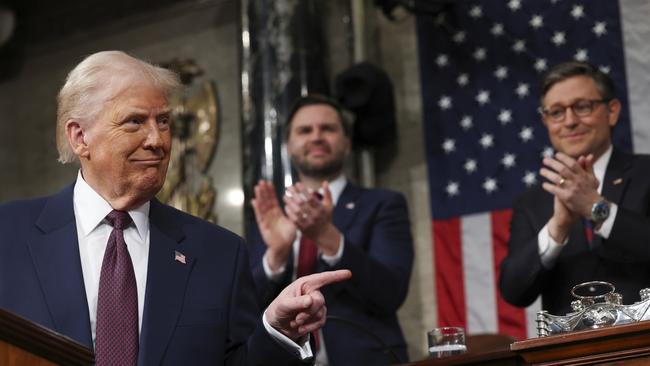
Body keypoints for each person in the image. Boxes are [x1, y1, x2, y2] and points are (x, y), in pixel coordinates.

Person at [0, 51, 351, 366]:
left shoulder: (219, 253)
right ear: (80, 137)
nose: (157, 140)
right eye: (134, 121)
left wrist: (277, 331)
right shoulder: (8, 234)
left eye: (163, 121)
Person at [248, 95, 414, 365]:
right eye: (305, 130)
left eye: (327, 128)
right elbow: (245, 309)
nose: (316, 136)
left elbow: (391, 292)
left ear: (347, 143)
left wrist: (327, 236)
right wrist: (275, 256)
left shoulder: (383, 205)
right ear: (289, 146)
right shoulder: (271, 215)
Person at [499, 61, 650, 315]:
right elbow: (514, 292)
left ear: (612, 111)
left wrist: (596, 208)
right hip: (573, 351)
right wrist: (557, 227)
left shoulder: (646, 173)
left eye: (582, 107)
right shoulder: (532, 201)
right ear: (546, 121)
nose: (569, 121)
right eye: (556, 112)